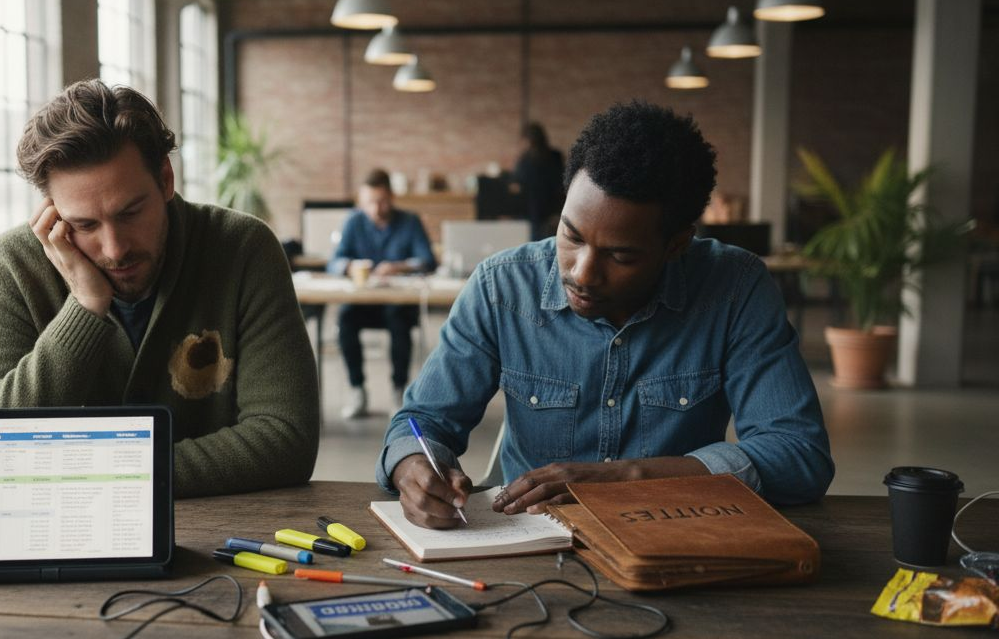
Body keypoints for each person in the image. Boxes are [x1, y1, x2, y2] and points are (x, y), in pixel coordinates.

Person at [377, 101, 834, 529]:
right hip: (532, 541)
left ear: (677, 244)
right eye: (571, 236)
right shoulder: (502, 287)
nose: (582, 273)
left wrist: (627, 478)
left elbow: (798, 455)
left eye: (620, 255)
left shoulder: (734, 289)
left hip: (673, 539)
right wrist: (413, 465)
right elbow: (421, 422)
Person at [0, 80, 319, 497]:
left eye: (130, 213)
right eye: (84, 225)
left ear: (165, 178)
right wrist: (85, 307)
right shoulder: (13, 264)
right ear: (52, 210)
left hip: (213, 525)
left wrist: (99, 472)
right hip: (52, 525)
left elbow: (286, 438)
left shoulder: (243, 248)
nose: (115, 249)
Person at [328, 169, 437, 419]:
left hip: (398, 304)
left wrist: (399, 266)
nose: (376, 209)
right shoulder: (353, 221)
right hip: (363, 304)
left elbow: (428, 260)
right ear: (361, 201)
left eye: (382, 201)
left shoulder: (410, 222)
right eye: (369, 202)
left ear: (392, 197)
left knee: (399, 321)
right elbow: (334, 261)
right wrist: (349, 266)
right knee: (345, 319)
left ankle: (399, 391)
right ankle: (357, 389)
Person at [512, 122, 566, 241]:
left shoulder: (525, 160)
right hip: (554, 209)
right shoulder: (555, 156)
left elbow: (517, 185)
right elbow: (562, 183)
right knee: (553, 242)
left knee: (536, 243)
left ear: (527, 140)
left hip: (534, 211)